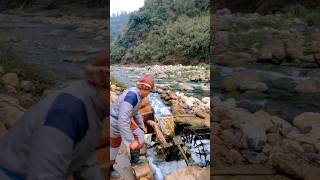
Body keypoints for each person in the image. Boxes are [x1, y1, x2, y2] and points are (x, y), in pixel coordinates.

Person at [0, 49, 109, 180]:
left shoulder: (93, 104)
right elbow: (43, 176)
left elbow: (85, 159)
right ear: (104, 82)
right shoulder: (67, 115)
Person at [110, 75, 155, 178]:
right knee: (114, 148)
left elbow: (136, 112)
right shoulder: (131, 96)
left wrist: (141, 125)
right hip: (115, 121)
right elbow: (123, 119)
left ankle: (135, 160)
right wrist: (129, 141)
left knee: (139, 134)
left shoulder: (139, 96)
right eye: (149, 91)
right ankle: (110, 168)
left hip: (123, 120)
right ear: (144, 88)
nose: (149, 94)